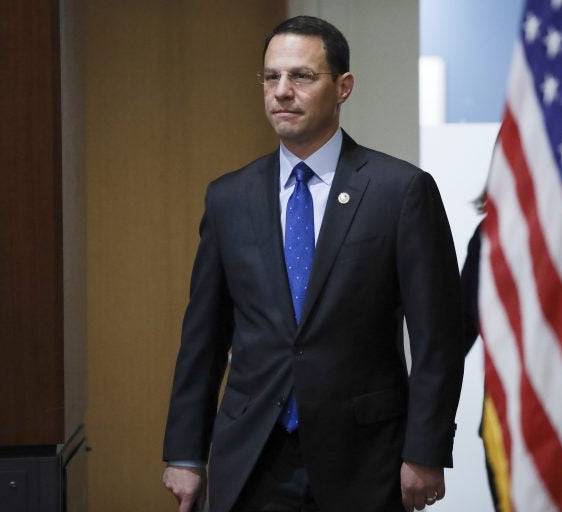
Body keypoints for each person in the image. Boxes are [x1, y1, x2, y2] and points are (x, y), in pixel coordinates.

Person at [162, 15, 464, 512]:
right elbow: (203, 338)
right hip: (254, 455)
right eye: (271, 77)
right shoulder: (228, 198)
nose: (282, 91)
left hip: (366, 458)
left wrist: (426, 449)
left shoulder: (400, 191)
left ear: (343, 87)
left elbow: (437, 338)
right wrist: (185, 452)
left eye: (301, 76)